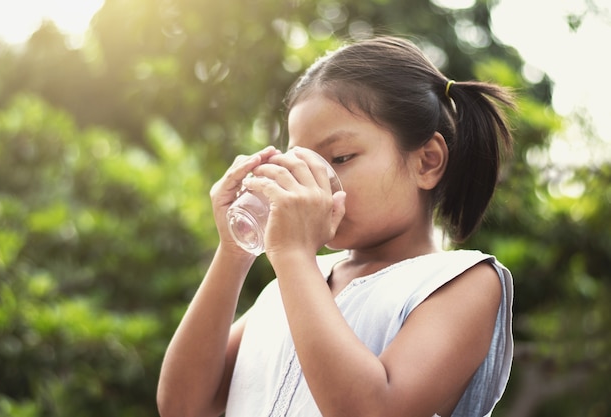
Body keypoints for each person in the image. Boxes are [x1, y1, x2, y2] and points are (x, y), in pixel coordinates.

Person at [157, 35, 515, 417]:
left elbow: (374, 411)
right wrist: (234, 251)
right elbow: (182, 405)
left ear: (426, 161)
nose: (316, 179)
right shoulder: (292, 287)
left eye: (340, 157)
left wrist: (294, 256)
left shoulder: (461, 282)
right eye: (301, 161)